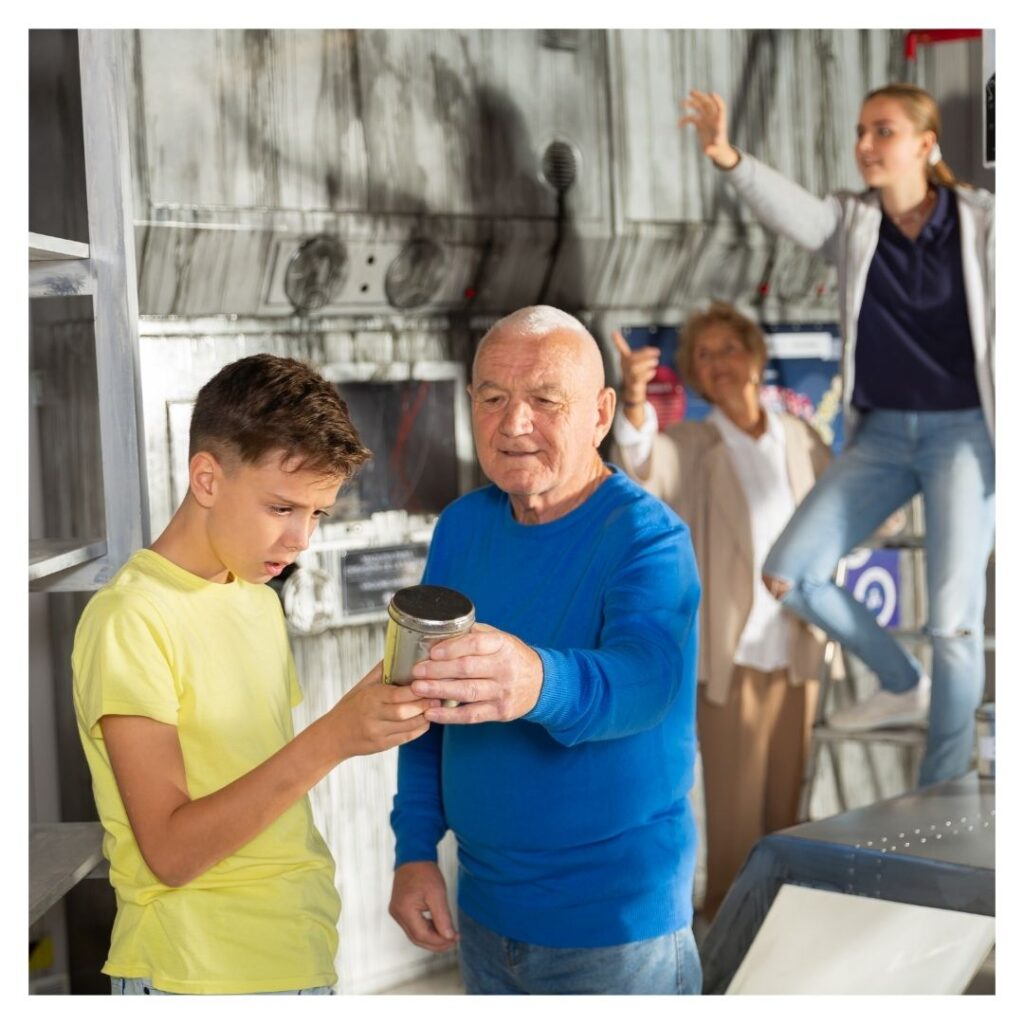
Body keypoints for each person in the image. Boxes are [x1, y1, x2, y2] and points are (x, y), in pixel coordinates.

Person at [72, 354, 438, 995]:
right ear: (207, 480)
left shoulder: (255, 596)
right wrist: (333, 737)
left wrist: (364, 714)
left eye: (317, 514)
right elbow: (171, 850)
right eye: (281, 508)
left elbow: (259, 777)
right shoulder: (130, 617)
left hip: (300, 955)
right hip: (195, 973)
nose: (301, 540)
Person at [680, 85, 994, 788]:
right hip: (881, 433)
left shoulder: (984, 224)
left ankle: (943, 787)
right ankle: (898, 678)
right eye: (860, 131)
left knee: (952, 624)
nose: (865, 145)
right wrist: (730, 157)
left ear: (924, 143)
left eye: (882, 131)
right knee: (789, 571)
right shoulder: (853, 223)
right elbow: (794, 212)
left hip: (966, 435)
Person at [387, 305, 702, 995]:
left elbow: (648, 678)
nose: (514, 423)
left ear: (600, 412)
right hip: (485, 907)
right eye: (493, 399)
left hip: (618, 926)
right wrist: (413, 850)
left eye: (544, 400)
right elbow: (420, 696)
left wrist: (535, 681)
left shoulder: (648, 537)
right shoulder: (462, 528)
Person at [610, 302, 831, 920]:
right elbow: (643, 466)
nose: (718, 364)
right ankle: (727, 946)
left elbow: (854, 509)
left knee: (788, 818)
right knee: (734, 826)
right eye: (703, 356)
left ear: (755, 356)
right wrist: (633, 400)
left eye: (728, 348)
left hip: (799, 647)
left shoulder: (798, 435)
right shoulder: (694, 442)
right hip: (730, 657)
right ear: (695, 377)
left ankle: (785, 943)